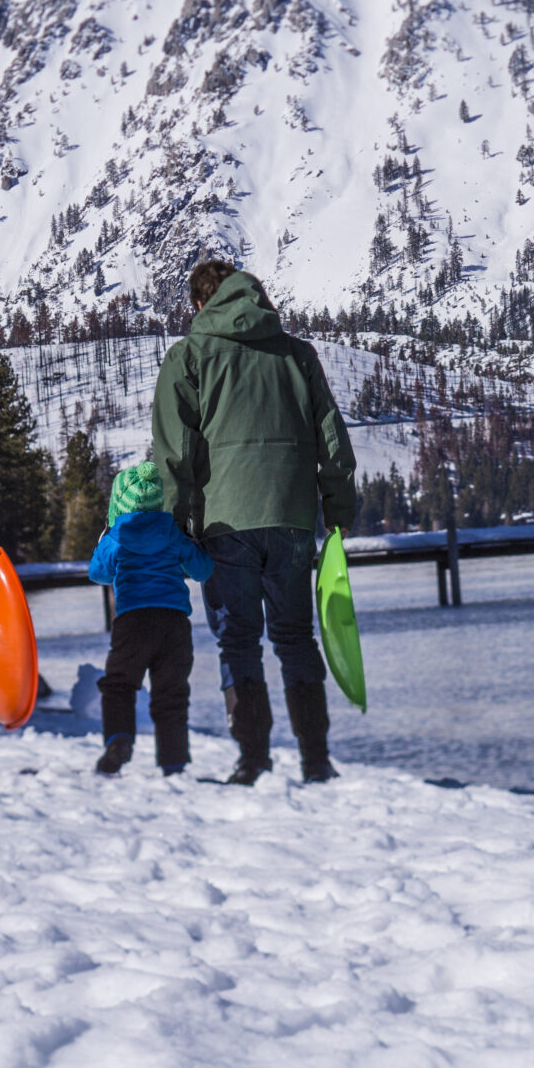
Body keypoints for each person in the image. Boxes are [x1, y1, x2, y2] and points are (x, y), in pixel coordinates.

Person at [151, 258, 356, 785]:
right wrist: (338, 512)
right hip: (291, 517)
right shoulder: (297, 354)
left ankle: (252, 760)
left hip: (223, 522)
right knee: (295, 637)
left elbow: (174, 453)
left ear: (200, 304)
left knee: (238, 640)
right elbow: (333, 439)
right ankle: (316, 760)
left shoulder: (189, 356)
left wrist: (176, 527)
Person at [87, 460, 211, 777]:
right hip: (173, 622)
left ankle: (119, 739)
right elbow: (203, 570)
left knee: (119, 684)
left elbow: (98, 573)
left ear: (119, 500)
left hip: (133, 621)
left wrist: (105, 537)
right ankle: (173, 763)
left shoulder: (117, 535)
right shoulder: (171, 532)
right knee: (171, 694)